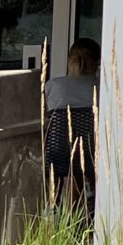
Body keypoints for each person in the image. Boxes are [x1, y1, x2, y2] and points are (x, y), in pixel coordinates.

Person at [42, 38, 98, 213]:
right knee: (83, 165)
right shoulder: (101, 87)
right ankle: (86, 211)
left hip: (57, 153)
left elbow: (43, 120)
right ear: (97, 62)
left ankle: (53, 209)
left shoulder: (53, 86)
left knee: (64, 164)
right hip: (91, 153)